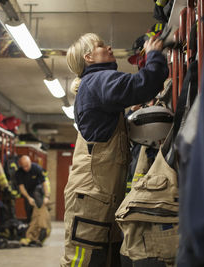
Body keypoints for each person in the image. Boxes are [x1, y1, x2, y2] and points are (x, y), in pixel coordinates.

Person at [61, 33, 168, 267]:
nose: (108, 47)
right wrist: (154, 56)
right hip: (92, 199)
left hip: (97, 198)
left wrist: (131, 115)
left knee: (102, 259)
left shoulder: (94, 85)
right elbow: (143, 85)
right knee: (84, 261)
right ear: (89, 57)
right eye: (101, 46)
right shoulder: (99, 80)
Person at [15, 155, 50, 223]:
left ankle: (42, 228)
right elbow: (21, 187)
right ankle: (31, 227)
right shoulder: (19, 173)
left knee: (40, 210)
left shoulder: (37, 168)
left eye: (27, 165)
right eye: (23, 166)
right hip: (27, 192)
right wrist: (28, 198)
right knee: (29, 211)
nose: (25, 168)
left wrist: (47, 197)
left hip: (38, 191)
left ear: (30, 162)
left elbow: (44, 183)